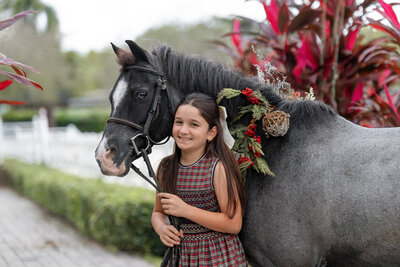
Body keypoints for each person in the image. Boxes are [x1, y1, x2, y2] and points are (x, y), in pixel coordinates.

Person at [152, 92, 248, 266]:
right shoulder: (166, 168)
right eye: (178, 122)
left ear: (211, 133)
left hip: (218, 257)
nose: (183, 130)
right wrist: (162, 228)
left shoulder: (217, 168)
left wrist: (185, 210)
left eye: (194, 124)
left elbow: (233, 223)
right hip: (181, 257)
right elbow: (158, 212)